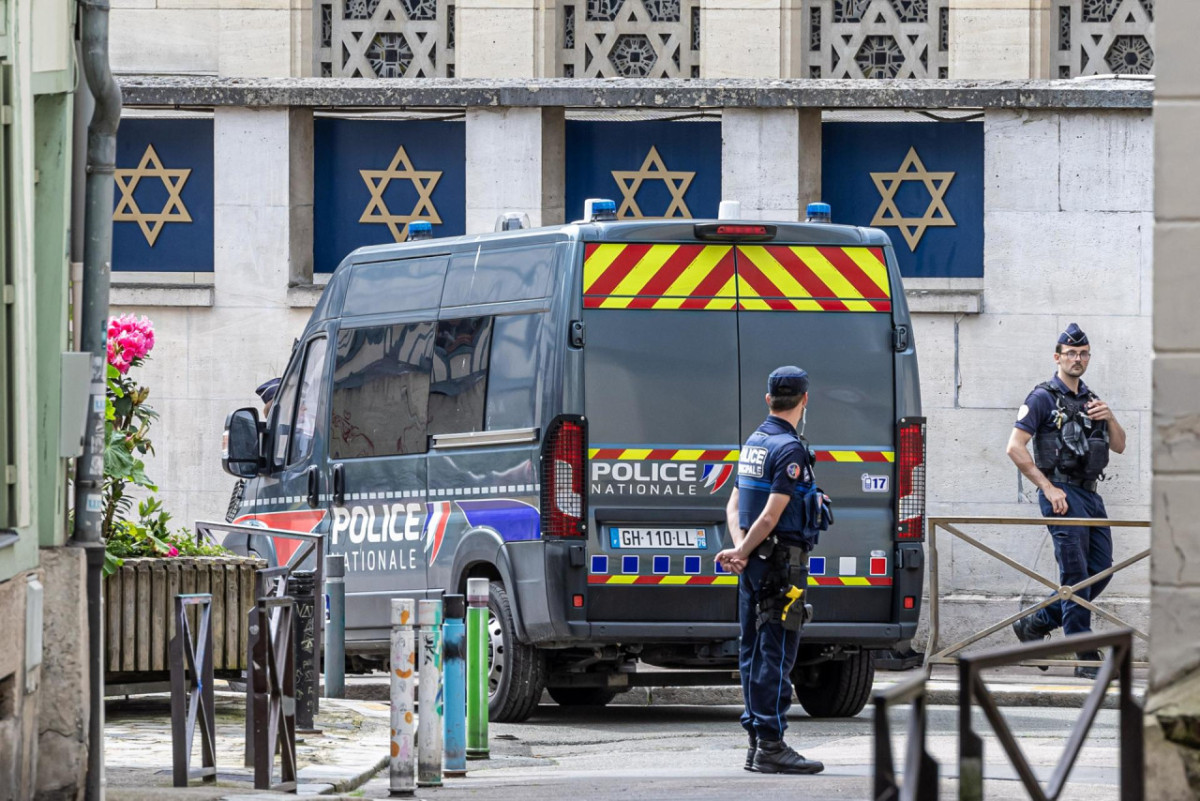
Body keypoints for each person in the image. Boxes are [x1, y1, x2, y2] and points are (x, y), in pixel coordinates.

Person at [716, 366, 827, 776]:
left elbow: (734, 506)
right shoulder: (789, 449)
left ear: (768, 399)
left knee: (753, 653)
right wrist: (745, 548)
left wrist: (740, 551)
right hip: (781, 568)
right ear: (804, 399)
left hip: (755, 567)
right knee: (775, 654)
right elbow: (770, 515)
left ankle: (756, 743)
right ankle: (771, 746)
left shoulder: (754, 444)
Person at [1006, 323, 1126, 679]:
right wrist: (1048, 488)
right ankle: (1085, 655)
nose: (1077, 359)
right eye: (1070, 353)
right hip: (1061, 492)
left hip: (1090, 494)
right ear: (1057, 358)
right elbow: (1014, 447)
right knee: (1075, 573)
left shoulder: (1092, 399)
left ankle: (1037, 624)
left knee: (1101, 570)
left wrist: (1111, 417)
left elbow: (1118, 445)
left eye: (1083, 353)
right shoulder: (1041, 397)